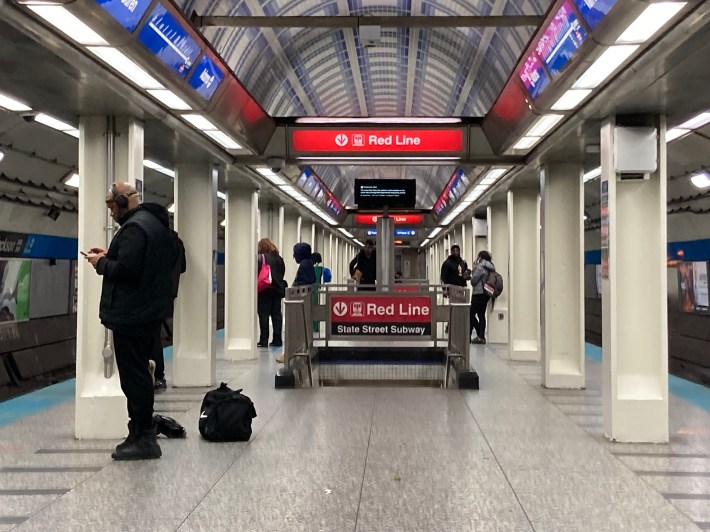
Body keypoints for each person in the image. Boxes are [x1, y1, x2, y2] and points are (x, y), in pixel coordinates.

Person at [85, 181, 174, 461]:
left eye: (112, 207)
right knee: (138, 374)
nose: (111, 213)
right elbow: (140, 263)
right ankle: (138, 432)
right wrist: (110, 255)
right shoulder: (155, 225)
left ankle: (144, 437)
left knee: (134, 377)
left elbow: (128, 270)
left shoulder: (135, 228)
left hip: (132, 314)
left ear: (124, 202)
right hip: (147, 311)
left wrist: (101, 263)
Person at [150, 225, 186, 392]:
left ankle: (152, 374)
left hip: (151, 291)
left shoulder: (154, 239)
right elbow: (183, 267)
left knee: (145, 335)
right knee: (155, 335)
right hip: (169, 292)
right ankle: (159, 375)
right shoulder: (177, 242)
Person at [275, 242, 315, 363]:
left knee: (293, 329)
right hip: (302, 301)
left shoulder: (304, 265)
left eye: (295, 253)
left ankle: (288, 353)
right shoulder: (308, 263)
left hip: (298, 303)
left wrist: (291, 290)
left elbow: (302, 281)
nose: (294, 256)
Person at [256, 238, 286, 349]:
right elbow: (282, 272)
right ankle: (277, 339)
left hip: (265, 290)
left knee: (263, 315)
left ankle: (263, 340)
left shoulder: (260, 258)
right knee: (276, 314)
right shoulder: (279, 259)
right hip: (277, 290)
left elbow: (257, 274)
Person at [469, 250, 495, 345]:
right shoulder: (491, 267)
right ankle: (481, 337)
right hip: (487, 294)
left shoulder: (480, 266)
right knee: (481, 315)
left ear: (480, 257)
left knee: (470, 314)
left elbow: (473, 281)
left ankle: (479, 332)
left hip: (478, 293)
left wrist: (474, 269)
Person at [311, 252, 323, 333]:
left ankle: (312, 326)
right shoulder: (320, 268)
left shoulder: (312, 268)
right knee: (316, 308)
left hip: (311, 290)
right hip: (316, 290)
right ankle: (316, 326)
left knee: (311, 308)